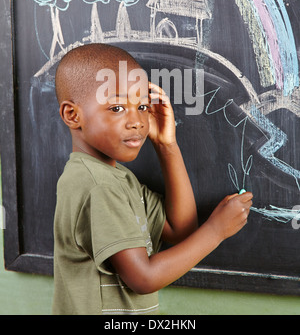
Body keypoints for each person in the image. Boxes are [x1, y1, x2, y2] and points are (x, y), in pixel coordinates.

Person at [53, 43, 253, 315]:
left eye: (143, 106)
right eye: (117, 108)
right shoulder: (99, 186)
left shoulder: (117, 179)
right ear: (73, 115)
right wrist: (216, 231)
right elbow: (142, 278)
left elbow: (179, 229)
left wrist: (166, 145)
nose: (137, 121)